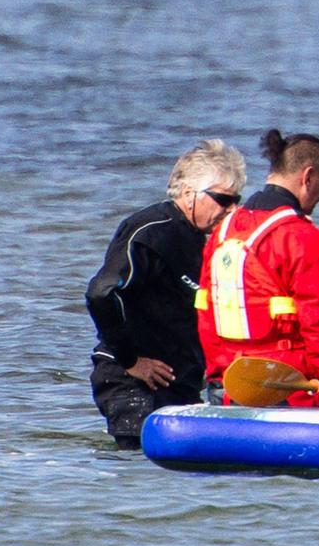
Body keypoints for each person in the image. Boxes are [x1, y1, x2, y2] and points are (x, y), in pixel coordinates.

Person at [85, 140, 247, 445]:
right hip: (132, 381)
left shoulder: (203, 240)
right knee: (139, 463)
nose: (232, 209)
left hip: (178, 382)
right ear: (188, 193)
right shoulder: (150, 230)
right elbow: (101, 293)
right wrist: (131, 361)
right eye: (223, 199)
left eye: (236, 200)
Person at [197, 129, 319, 398]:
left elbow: (206, 315)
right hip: (291, 388)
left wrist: (218, 378)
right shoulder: (304, 238)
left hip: (230, 383)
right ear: (308, 177)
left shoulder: (222, 232)